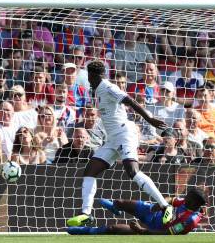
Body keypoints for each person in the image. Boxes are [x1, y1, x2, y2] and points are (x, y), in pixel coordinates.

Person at [67, 61, 173, 228]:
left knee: (133, 171)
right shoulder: (98, 90)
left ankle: (166, 206)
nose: (88, 80)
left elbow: (129, 100)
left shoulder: (108, 87)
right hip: (112, 139)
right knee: (90, 170)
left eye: (89, 76)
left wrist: (149, 119)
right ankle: (86, 214)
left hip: (125, 134)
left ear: (93, 76)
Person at [68, 188, 206, 235]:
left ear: (194, 203)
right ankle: (116, 208)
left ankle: (83, 230)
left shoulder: (191, 220)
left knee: (112, 228)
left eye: (188, 197)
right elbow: (171, 200)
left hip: (155, 229)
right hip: (152, 213)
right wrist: (161, 203)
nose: (185, 197)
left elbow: (167, 233)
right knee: (120, 202)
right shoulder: (187, 201)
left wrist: (142, 231)